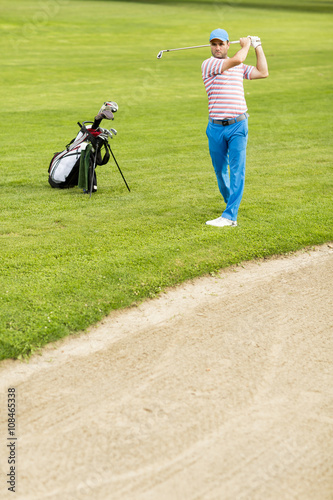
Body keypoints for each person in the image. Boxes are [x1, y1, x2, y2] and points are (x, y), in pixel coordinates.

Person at [202, 29, 268, 227]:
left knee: (237, 170)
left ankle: (230, 216)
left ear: (228, 45)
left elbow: (263, 72)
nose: (217, 48)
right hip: (215, 127)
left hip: (238, 124)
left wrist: (257, 46)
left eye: (221, 44)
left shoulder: (238, 67)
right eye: (214, 44)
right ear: (210, 46)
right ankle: (230, 203)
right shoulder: (209, 64)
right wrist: (246, 44)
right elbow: (237, 60)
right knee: (220, 170)